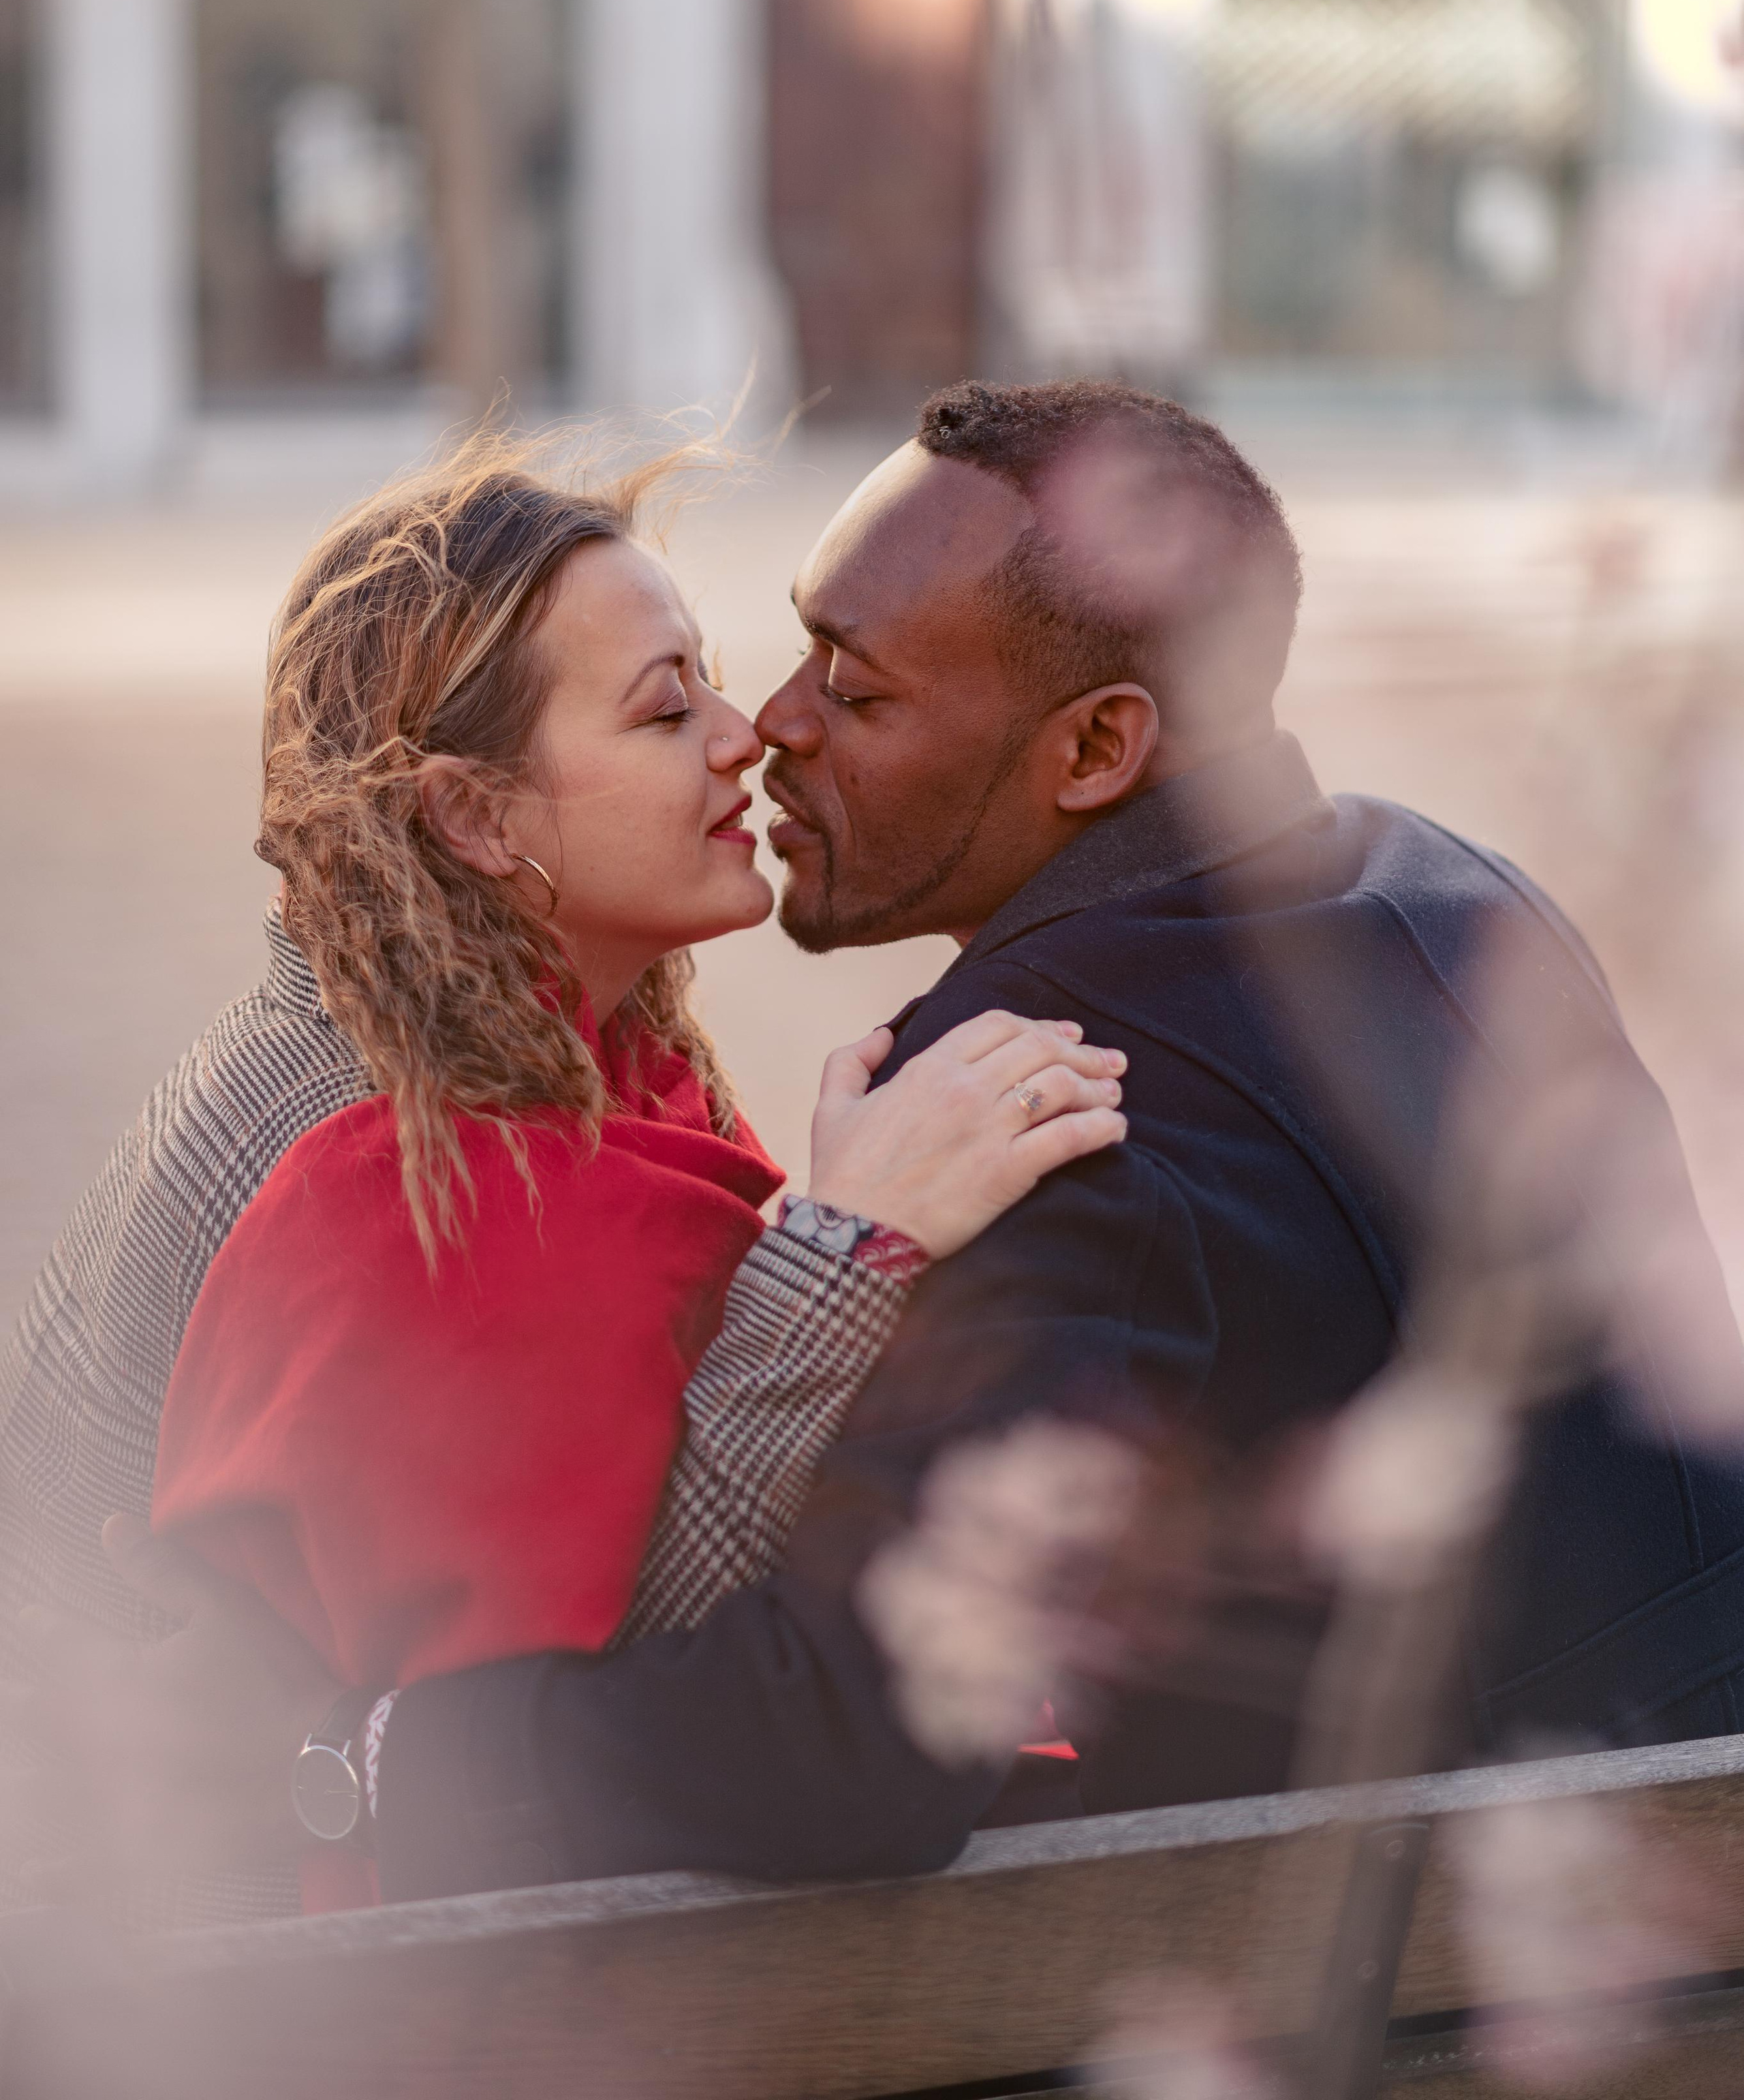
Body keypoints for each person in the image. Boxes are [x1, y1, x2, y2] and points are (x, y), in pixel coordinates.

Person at [18, 378, 1744, 1908]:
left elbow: (837, 1732)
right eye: (698, 685)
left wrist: (374, 1758)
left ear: (1092, 749)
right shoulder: (1446, 890)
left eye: (850, 686)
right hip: (1603, 1902)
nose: (766, 725)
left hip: (1367, 1965)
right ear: (469, 817)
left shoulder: (1028, 1081)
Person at [0, 437, 1125, 1920]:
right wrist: (847, 1248)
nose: (749, 738)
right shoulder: (387, 1168)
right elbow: (601, 1733)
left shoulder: (549, 1059)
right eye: (667, 708)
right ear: (475, 819)